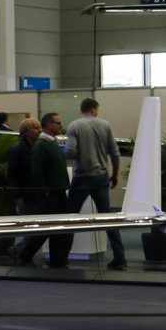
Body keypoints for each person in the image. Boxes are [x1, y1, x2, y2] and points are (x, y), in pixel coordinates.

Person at [65, 98, 127, 270]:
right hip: (101, 177)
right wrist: (114, 175)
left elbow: (70, 152)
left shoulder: (74, 126)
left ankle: (62, 257)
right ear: (93, 109)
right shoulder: (105, 125)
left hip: (81, 178)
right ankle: (119, 256)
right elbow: (115, 153)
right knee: (107, 218)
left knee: (70, 217)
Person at [16, 113, 74, 269]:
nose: (61, 126)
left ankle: (57, 261)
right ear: (50, 124)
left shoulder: (52, 144)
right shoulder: (42, 145)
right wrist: (45, 192)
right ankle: (23, 255)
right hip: (50, 196)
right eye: (58, 123)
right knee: (46, 229)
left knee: (58, 229)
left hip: (59, 193)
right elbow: (37, 172)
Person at [7, 118, 38, 217]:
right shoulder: (17, 150)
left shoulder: (39, 148)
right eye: (36, 128)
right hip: (26, 196)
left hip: (38, 195)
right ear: (26, 132)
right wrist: (18, 196)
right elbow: (12, 175)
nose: (40, 130)